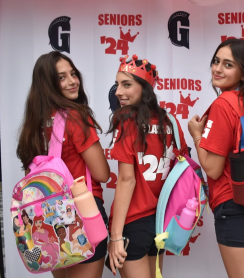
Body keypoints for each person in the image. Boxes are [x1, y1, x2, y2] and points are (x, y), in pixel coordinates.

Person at [188, 38, 244, 278]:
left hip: (237, 206)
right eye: (216, 61)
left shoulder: (222, 105)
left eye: (228, 64)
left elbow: (213, 169)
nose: (217, 69)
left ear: (243, 73)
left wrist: (196, 135)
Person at [16, 51, 110, 278]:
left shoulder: (33, 123)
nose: (72, 81)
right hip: (82, 215)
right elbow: (102, 173)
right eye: (61, 77)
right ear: (47, 84)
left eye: (73, 74)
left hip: (49, 220)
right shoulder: (76, 116)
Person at [107, 54, 187, 278]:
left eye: (127, 85)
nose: (118, 92)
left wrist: (115, 237)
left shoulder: (127, 122)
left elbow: (126, 180)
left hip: (133, 223)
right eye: (117, 85)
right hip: (162, 223)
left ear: (145, 88)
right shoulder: (170, 121)